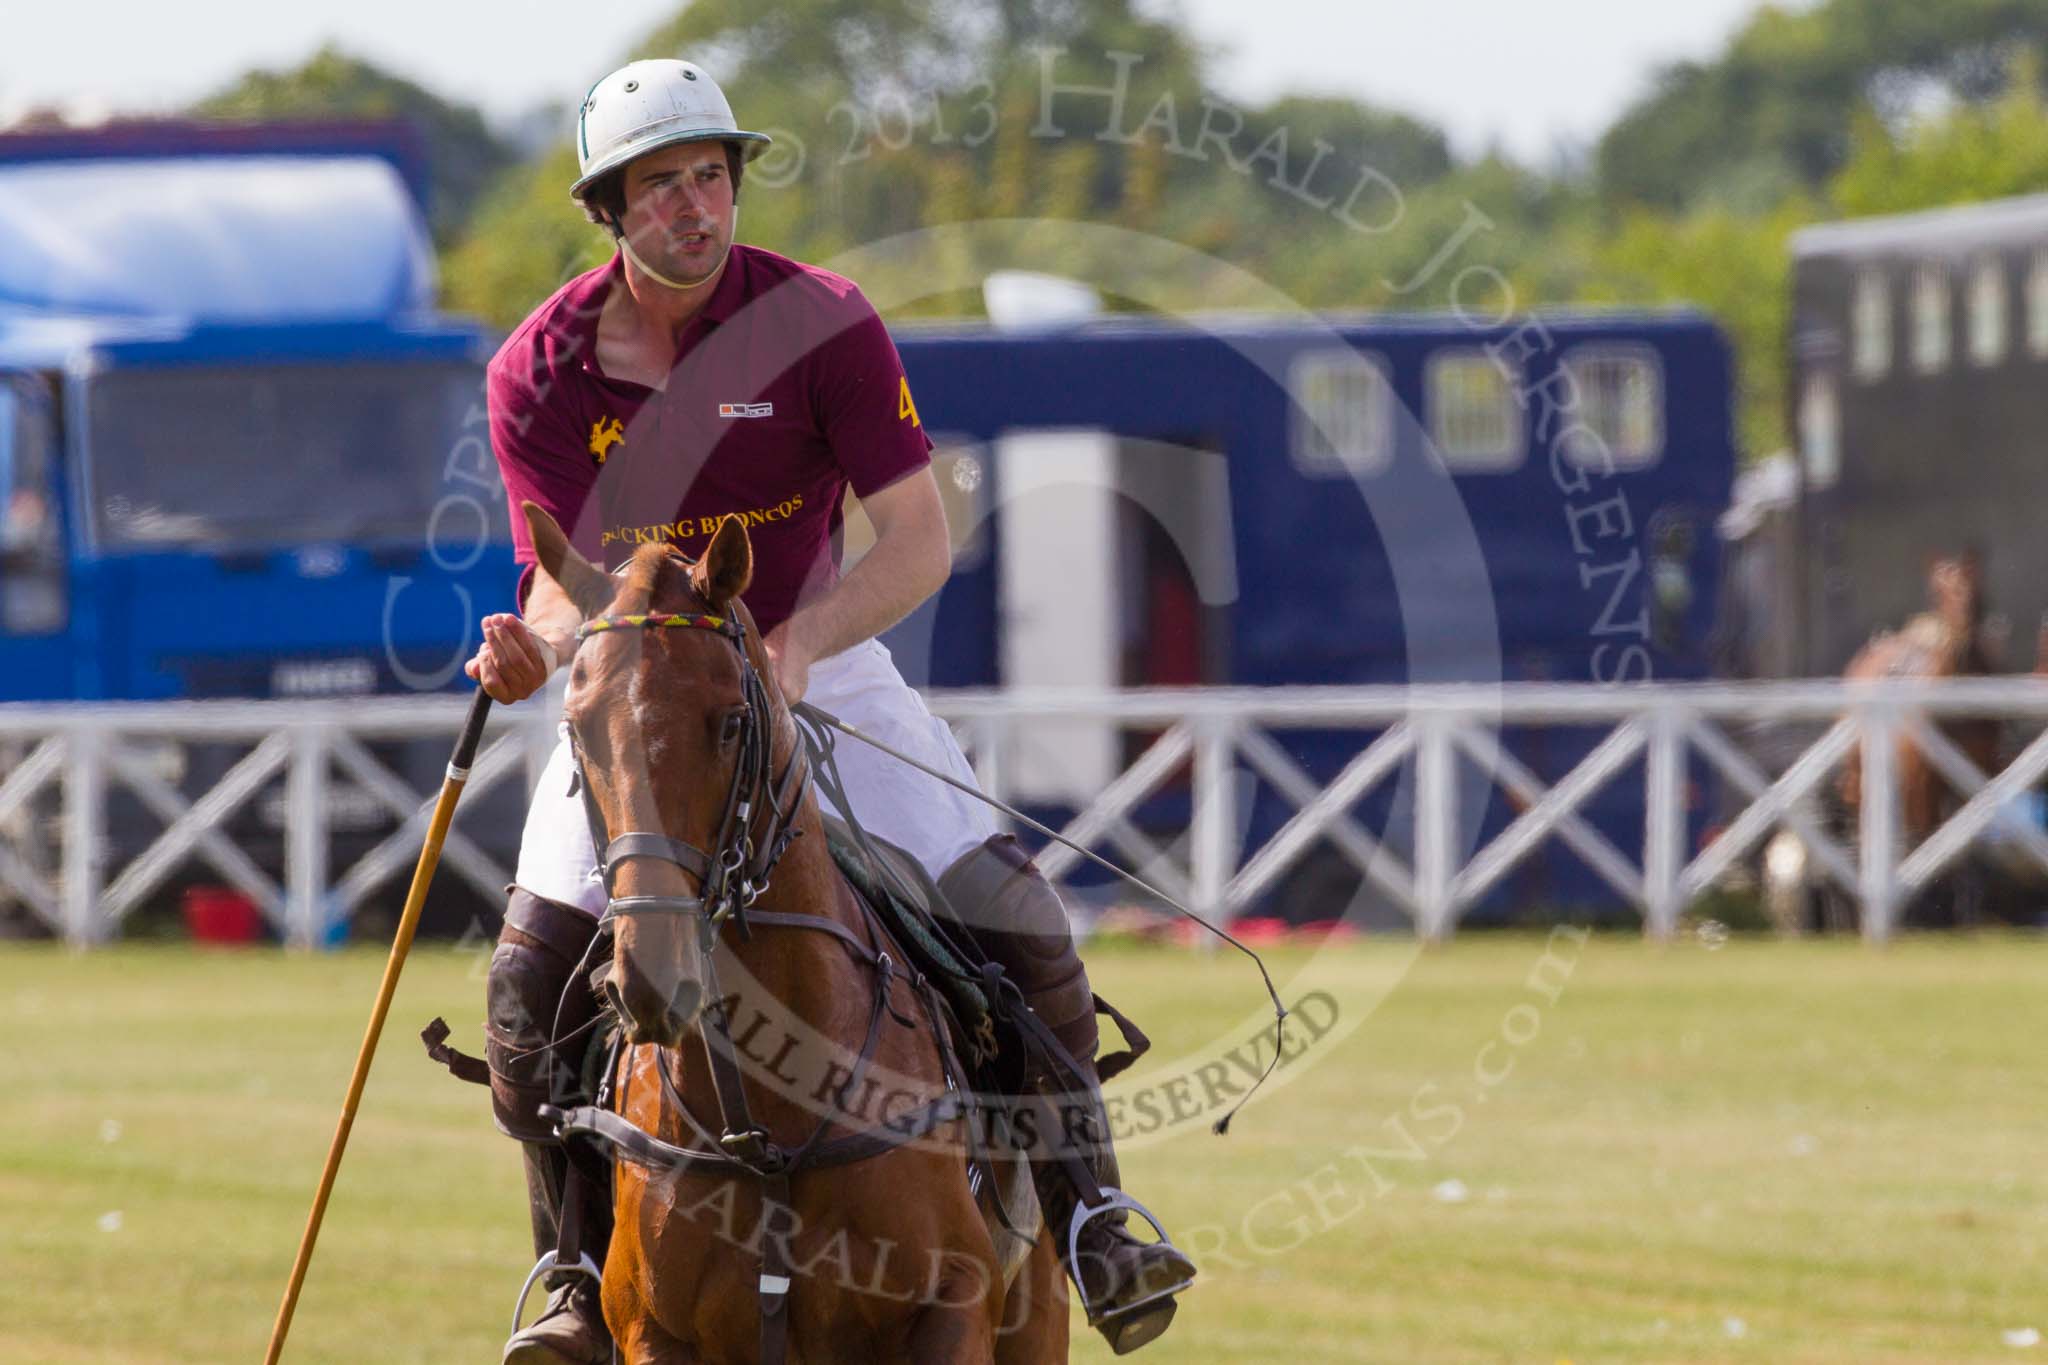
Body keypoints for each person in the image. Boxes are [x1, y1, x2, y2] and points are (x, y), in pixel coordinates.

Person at [466, 58, 1195, 1364]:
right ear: (609, 213)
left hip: (817, 651)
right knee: (527, 974)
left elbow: (916, 541)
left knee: (1017, 916)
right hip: (640, 680)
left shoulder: (824, 321)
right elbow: (560, 581)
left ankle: (1095, 1219)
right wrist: (533, 646)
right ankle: (573, 1274)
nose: (693, 206)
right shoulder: (539, 366)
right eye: (658, 187)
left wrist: (796, 645)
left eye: (709, 176)